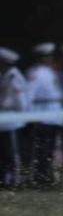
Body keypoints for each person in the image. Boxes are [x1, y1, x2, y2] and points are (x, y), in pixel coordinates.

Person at [24, 42, 63, 187]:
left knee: (50, 150)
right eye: (46, 56)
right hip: (42, 115)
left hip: (54, 116)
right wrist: (30, 116)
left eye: (50, 56)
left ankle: (47, 176)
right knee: (41, 150)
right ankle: (39, 178)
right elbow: (29, 95)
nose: (49, 59)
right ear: (40, 58)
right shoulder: (34, 72)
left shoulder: (51, 71)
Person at [0, 47, 28, 189]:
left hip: (12, 120)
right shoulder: (6, 75)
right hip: (4, 119)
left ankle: (15, 181)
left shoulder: (13, 77)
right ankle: (5, 180)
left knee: (12, 154)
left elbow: (21, 101)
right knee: (4, 154)